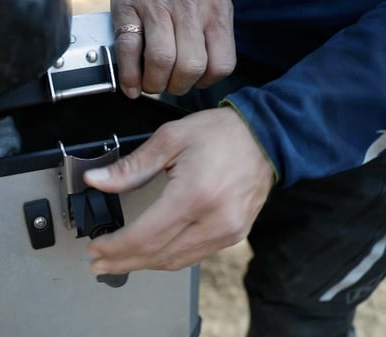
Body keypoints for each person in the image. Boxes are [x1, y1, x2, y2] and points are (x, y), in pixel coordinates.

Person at [83, 1, 386, 336]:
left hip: (366, 122)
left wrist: (275, 129)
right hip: (204, 53)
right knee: (170, 253)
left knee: (302, 310)